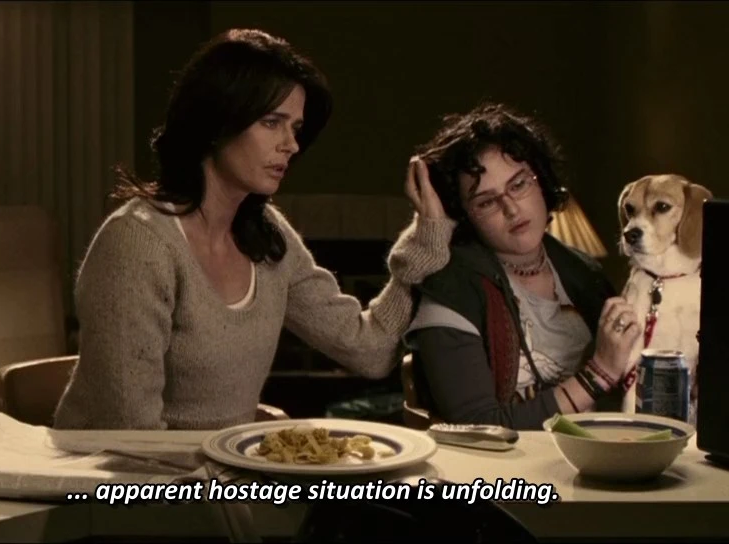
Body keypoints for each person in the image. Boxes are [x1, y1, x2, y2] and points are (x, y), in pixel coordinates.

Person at [53, 29, 454, 430]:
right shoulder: (137, 243)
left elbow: (370, 350)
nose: (291, 145)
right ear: (216, 121)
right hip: (121, 469)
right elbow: (131, 438)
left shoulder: (267, 235)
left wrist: (428, 235)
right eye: (271, 122)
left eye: (295, 127)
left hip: (222, 465)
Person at [405, 103, 642, 430]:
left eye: (518, 185)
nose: (512, 209)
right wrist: (598, 374)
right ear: (464, 216)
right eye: (487, 201)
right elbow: (478, 427)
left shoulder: (586, 274)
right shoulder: (449, 291)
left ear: (541, 181)